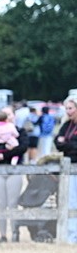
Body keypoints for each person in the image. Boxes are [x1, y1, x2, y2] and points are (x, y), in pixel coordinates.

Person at [0, 106, 28, 243]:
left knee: (13, 203)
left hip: (14, 170)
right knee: (1, 203)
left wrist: (4, 152)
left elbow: (22, 148)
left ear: (14, 116)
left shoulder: (20, 131)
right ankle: (3, 234)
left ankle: (15, 232)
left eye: (9, 114)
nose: (7, 117)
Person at [54, 96, 77, 243]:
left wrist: (66, 143)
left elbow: (68, 144)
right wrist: (68, 144)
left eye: (71, 108)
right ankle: (72, 236)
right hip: (69, 166)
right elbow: (57, 142)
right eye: (66, 108)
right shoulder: (66, 125)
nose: (68, 111)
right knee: (71, 201)